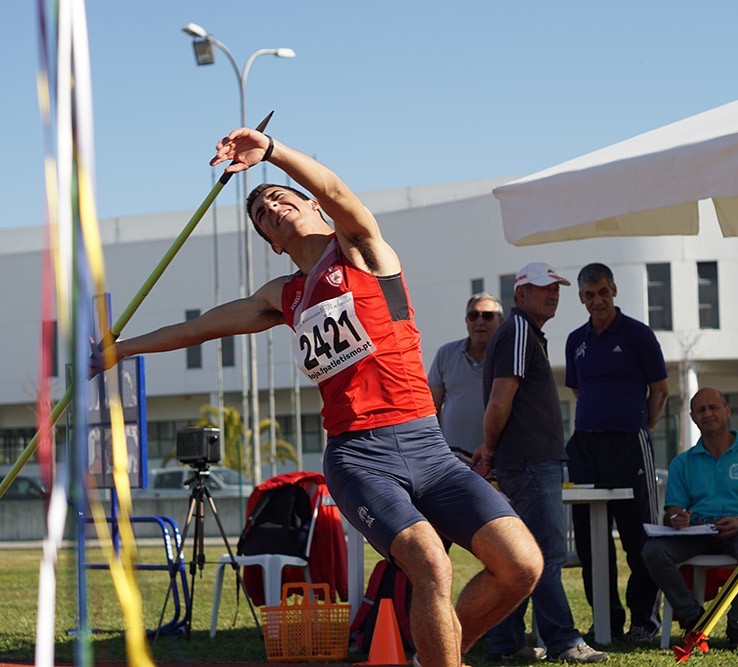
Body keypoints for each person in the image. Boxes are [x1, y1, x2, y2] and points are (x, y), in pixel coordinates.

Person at [90, 127, 542, 667]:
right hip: (358, 455)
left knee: (521, 565)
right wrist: (123, 349)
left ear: (311, 207)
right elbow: (204, 328)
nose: (272, 209)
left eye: (281, 198)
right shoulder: (282, 297)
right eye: (261, 215)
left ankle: (434, 655)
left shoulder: (362, 249)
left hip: (428, 446)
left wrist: (273, 154)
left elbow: (337, 190)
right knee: (431, 565)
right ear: (273, 243)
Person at [473, 262, 608, 663]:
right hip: (531, 462)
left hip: (528, 461)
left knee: (518, 556)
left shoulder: (526, 333)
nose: (553, 294)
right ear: (520, 295)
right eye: (543, 288)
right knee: (545, 554)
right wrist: (490, 447)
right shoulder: (517, 331)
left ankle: (507, 642)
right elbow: (500, 400)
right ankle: (563, 641)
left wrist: (492, 449)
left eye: (556, 289)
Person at [563, 262, 668, 643]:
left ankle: (644, 622)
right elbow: (578, 391)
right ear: (581, 298)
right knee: (592, 542)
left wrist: (643, 428)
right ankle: (605, 622)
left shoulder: (639, 335)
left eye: (603, 292)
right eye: (589, 295)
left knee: (640, 538)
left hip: (630, 444)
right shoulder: (576, 340)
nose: (597, 300)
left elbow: (660, 391)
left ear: (614, 291)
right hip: (586, 447)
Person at [642, 387, 738, 649]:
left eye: (713, 407)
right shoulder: (682, 463)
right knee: (653, 550)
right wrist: (676, 518)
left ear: (727, 411)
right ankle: (696, 620)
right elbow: (672, 510)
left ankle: (737, 626)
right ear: (693, 417)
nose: (708, 414)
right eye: (701, 410)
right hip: (696, 531)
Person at [428, 293, 504, 464]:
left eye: (487, 316)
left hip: (495, 459)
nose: (479, 321)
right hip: (452, 459)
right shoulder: (445, 354)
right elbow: (432, 408)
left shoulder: (506, 358)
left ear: (501, 321)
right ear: (466, 321)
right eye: (473, 315)